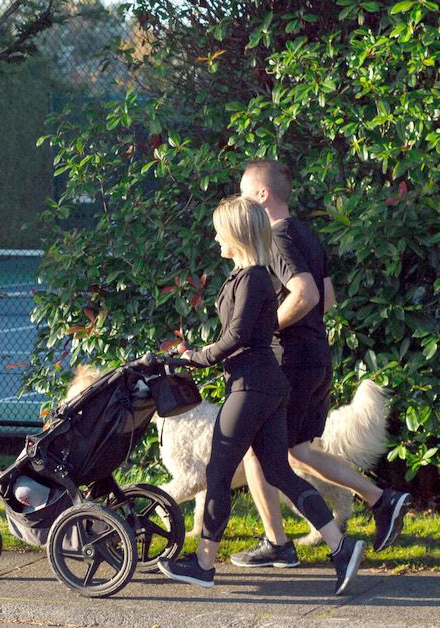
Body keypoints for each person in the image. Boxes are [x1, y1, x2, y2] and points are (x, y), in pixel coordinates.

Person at [155, 196, 366, 595]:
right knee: (279, 471)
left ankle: (203, 563)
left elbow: (236, 337)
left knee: (217, 472)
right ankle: (341, 548)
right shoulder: (248, 276)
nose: (215, 236)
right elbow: (242, 335)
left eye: (220, 229)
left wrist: (195, 357)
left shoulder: (252, 278)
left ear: (235, 233)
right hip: (262, 384)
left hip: (251, 387)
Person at [231, 160, 411, 568]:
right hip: (314, 356)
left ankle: (278, 544)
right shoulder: (305, 234)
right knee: (298, 452)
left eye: (245, 193)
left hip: (288, 360)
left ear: (262, 195)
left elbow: (308, 294)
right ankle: (383, 499)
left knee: (256, 454)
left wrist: (261, 330)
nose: (241, 203)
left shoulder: (275, 239)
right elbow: (328, 300)